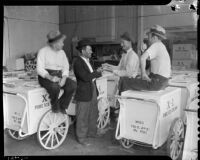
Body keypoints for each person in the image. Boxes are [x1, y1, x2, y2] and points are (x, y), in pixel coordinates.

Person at [118, 25, 171, 93]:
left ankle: (119, 102)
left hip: (157, 82)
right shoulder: (162, 46)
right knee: (136, 79)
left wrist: (143, 74)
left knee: (124, 81)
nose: (147, 39)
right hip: (163, 82)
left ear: (154, 37)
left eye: (149, 36)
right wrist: (146, 73)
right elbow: (153, 63)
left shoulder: (156, 45)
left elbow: (143, 58)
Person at [37, 30, 76, 114]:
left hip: (59, 75)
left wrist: (64, 78)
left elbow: (66, 66)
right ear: (55, 43)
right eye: (61, 42)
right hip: (46, 76)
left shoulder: (62, 52)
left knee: (72, 85)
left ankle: (62, 106)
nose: (63, 44)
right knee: (55, 87)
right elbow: (40, 69)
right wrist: (50, 77)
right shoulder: (43, 51)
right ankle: (55, 106)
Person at [73, 39, 103, 146]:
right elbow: (85, 77)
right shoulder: (77, 62)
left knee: (93, 112)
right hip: (84, 91)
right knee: (82, 116)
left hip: (92, 89)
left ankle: (91, 133)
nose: (91, 52)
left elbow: (92, 75)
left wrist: (98, 72)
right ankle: (81, 138)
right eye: (89, 50)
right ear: (83, 50)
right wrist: (96, 73)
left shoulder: (88, 61)